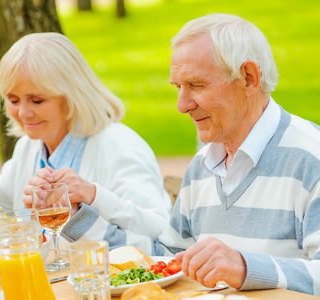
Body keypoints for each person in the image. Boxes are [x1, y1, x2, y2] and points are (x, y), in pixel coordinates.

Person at [61, 14, 320, 295]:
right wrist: (80, 216)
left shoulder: (310, 157)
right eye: (178, 87)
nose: (181, 105)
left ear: (248, 79)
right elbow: (169, 262)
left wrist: (245, 268)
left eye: (196, 85)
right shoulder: (202, 165)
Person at [0, 32, 171, 247]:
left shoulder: (119, 147)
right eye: (13, 100)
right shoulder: (30, 146)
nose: (23, 113)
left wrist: (94, 195)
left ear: (72, 94)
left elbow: (160, 232)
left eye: (37, 100)